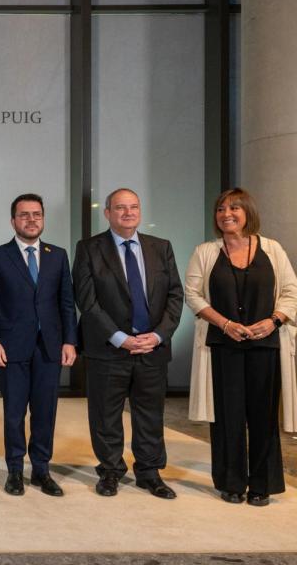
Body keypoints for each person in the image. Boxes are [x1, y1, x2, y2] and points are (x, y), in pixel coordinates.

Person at [184, 188, 297, 506]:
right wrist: (225, 324)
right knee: (227, 416)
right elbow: (193, 295)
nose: (226, 213)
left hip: (266, 345)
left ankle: (262, 484)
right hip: (223, 344)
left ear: (248, 212)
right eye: (221, 209)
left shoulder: (272, 249)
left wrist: (274, 320)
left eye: (234, 207)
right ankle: (231, 482)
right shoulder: (205, 251)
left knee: (263, 416)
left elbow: (291, 290)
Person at [72, 188, 183, 499]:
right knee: (105, 414)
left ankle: (149, 472)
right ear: (107, 213)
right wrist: (120, 338)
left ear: (140, 211)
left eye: (133, 207)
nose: (128, 213)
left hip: (152, 347)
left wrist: (159, 334)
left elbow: (175, 295)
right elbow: (87, 301)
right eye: (120, 208)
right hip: (108, 349)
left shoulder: (161, 248)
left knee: (150, 414)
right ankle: (110, 471)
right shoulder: (89, 249)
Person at [0, 194, 76, 497]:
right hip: (11, 347)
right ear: (13, 221)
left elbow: (66, 303)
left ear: (43, 219)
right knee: (13, 412)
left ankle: (41, 470)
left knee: (45, 411)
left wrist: (70, 341)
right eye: (24, 215)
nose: (31, 219)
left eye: (36, 214)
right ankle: (14, 471)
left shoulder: (58, 255)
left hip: (49, 346)